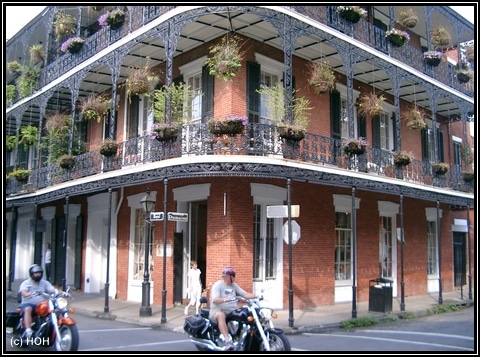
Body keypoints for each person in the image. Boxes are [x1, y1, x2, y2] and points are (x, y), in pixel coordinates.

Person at [209, 266, 257, 350]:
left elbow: (245, 294)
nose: (234, 278)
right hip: (217, 310)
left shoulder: (234, 285)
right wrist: (224, 299)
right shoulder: (218, 285)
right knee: (221, 315)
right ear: (228, 276)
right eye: (233, 276)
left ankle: (243, 336)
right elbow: (215, 299)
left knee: (246, 312)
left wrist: (257, 296)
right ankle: (228, 341)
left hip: (232, 310)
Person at [18, 264, 57, 339]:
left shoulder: (44, 282)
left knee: (56, 309)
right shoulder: (26, 283)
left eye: (39, 272)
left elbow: (52, 289)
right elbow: (23, 292)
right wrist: (27, 293)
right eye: (36, 273)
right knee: (28, 309)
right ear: (32, 274)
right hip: (28, 303)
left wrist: (63, 293)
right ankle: (28, 330)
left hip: (41, 304)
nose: (38, 274)